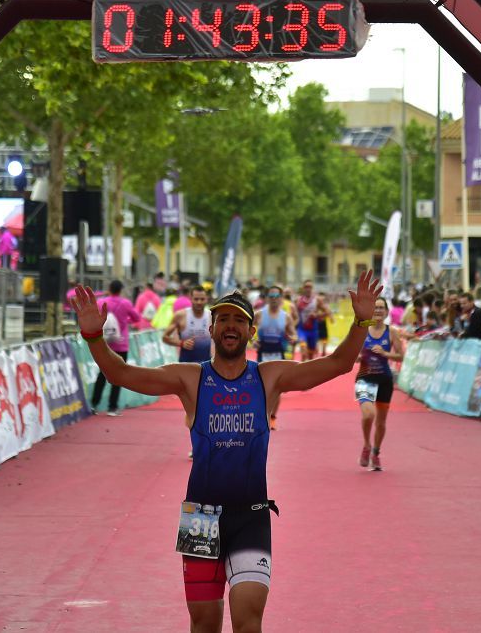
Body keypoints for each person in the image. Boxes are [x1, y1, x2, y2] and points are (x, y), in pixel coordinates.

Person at [70, 271, 381, 633]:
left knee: (248, 622)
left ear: (251, 331)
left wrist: (361, 321)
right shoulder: (189, 378)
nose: (230, 326)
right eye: (223, 319)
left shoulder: (269, 377)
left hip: (250, 516)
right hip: (200, 516)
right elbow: (121, 373)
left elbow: (338, 364)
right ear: (212, 328)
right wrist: (93, 336)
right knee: (204, 624)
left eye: (239, 320)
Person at [354, 297, 404, 472]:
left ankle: (376, 452)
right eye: (375, 308)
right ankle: (367, 445)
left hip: (384, 380)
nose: (378, 311)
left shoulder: (392, 332)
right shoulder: (362, 327)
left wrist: (385, 353)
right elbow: (350, 353)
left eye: (382, 308)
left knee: (381, 422)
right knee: (369, 415)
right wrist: (358, 357)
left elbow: (401, 356)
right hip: (364, 378)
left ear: (387, 312)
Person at [91, 280, 141, 416]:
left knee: (102, 373)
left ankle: (94, 404)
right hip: (121, 344)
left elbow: (93, 316)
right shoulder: (125, 303)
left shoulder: (102, 302)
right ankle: (112, 408)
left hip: (104, 343)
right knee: (118, 376)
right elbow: (137, 318)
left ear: (109, 288)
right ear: (121, 290)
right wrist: (125, 320)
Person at [253, 286, 297, 431]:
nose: (273, 298)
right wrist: (252, 340)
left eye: (276, 295)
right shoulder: (259, 314)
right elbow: (247, 329)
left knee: (276, 388)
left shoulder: (286, 316)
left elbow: (294, 334)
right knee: (260, 387)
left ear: (281, 298)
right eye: (271, 296)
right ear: (267, 298)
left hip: (279, 354)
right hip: (263, 353)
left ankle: (272, 418)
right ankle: (260, 416)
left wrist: (292, 339)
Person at [164, 286, 213, 364]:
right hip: (185, 365)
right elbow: (165, 337)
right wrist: (181, 343)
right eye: (196, 299)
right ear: (190, 299)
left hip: (205, 365)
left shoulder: (212, 316)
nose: (199, 302)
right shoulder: (180, 315)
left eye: (202, 299)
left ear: (207, 299)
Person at [295, 280, 328, 362]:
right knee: (303, 351)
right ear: (303, 288)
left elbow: (327, 312)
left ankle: (309, 371)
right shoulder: (298, 300)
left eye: (310, 287)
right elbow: (294, 315)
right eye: (306, 287)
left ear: (312, 288)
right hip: (302, 330)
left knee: (310, 356)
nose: (308, 289)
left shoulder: (317, 300)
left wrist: (317, 315)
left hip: (313, 331)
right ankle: (301, 371)